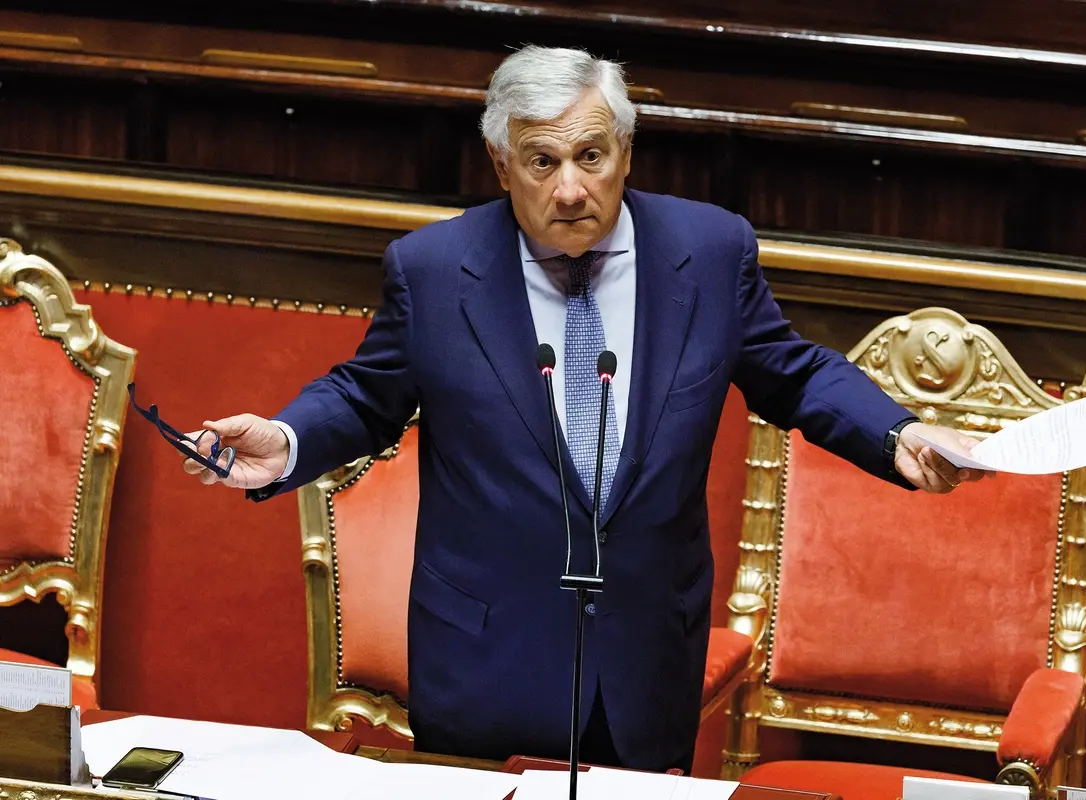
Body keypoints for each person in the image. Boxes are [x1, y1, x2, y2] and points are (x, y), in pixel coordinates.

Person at [182, 45, 989, 772]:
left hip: (643, 660)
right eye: (542, 161)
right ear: (500, 165)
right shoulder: (434, 269)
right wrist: (287, 439)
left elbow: (793, 373)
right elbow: (367, 395)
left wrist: (899, 434)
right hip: (483, 662)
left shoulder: (709, 253)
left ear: (625, 153)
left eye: (592, 156)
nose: (570, 189)